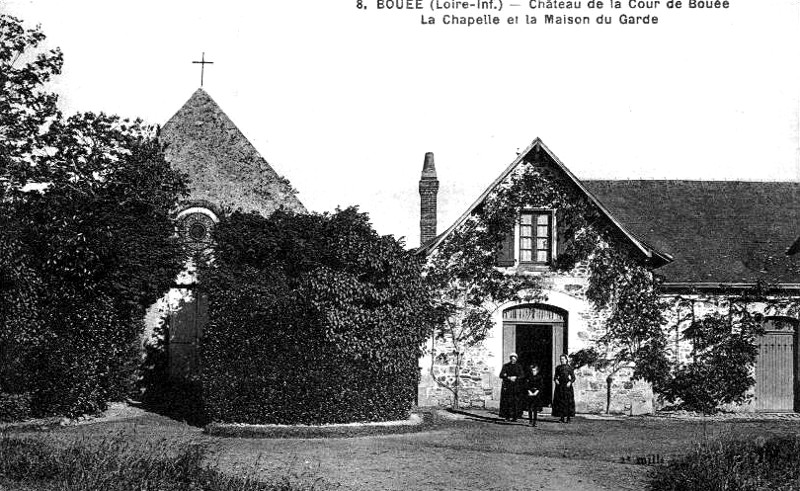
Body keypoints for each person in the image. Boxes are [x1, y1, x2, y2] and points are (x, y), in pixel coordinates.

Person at [499, 353, 524, 421]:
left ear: (516, 358)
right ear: (510, 359)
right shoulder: (506, 366)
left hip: (516, 387)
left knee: (515, 402)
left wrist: (516, 377)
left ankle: (515, 417)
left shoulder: (519, 366)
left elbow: (522, 375)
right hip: (508, 386)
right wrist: (508, 377)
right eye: (512, 358)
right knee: (507, 402)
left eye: (514, 358)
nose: (513, 359)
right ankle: (507, 416)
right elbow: (501, 375)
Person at [552, 354, 576, 423]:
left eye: (563, 359)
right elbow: (555, 376)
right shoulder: (558, 368)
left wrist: (570, 382)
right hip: (560, 386)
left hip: (567, 386)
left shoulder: (569, 368)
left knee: (568, 402)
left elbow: (573, 377)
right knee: (561, 402)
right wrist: (556, 380)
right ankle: (562, 418)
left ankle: (568, 418)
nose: (562, 360)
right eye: (561, 359)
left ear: (566, 359)